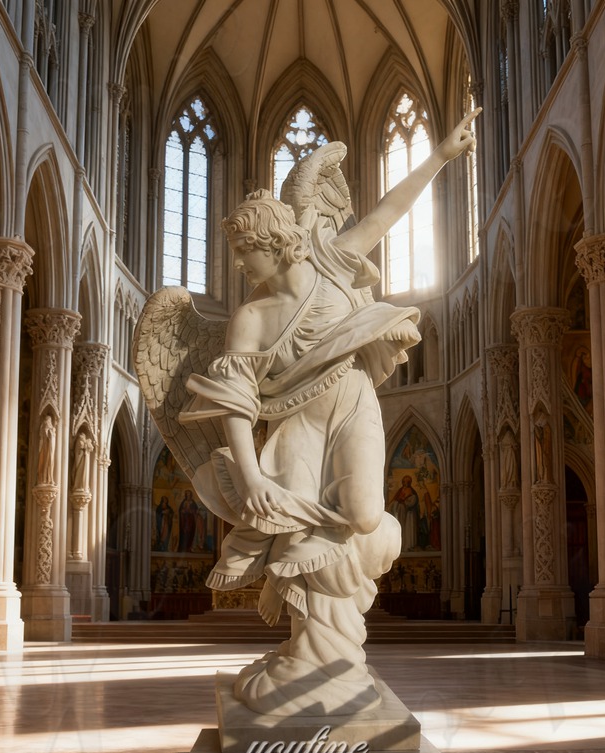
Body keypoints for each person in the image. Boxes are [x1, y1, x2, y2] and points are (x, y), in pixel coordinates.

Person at [177, 109, 481, 716]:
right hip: (298, 425)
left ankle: (331, 642)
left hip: (353, 400)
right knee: (296, 532)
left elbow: (386, 214)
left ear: (273, 242)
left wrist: (441, 156)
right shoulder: (250, 317)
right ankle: (315, 651)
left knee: (365, 516)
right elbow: (235, 401)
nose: (240, 265)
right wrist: (251, 476)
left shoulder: (334, 261)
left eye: (244, 252)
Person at [388, 475, 422, 551]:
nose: (405, 483)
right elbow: (396, 499)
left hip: (410, 514)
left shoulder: (412, 492)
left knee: (409, 530)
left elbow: (412, 502)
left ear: (410, 482)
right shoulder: (401, 490)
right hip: (401, 514)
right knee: (402, 528)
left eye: (407, 481)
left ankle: (409, 545)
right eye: (404, 481)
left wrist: (404, 501)